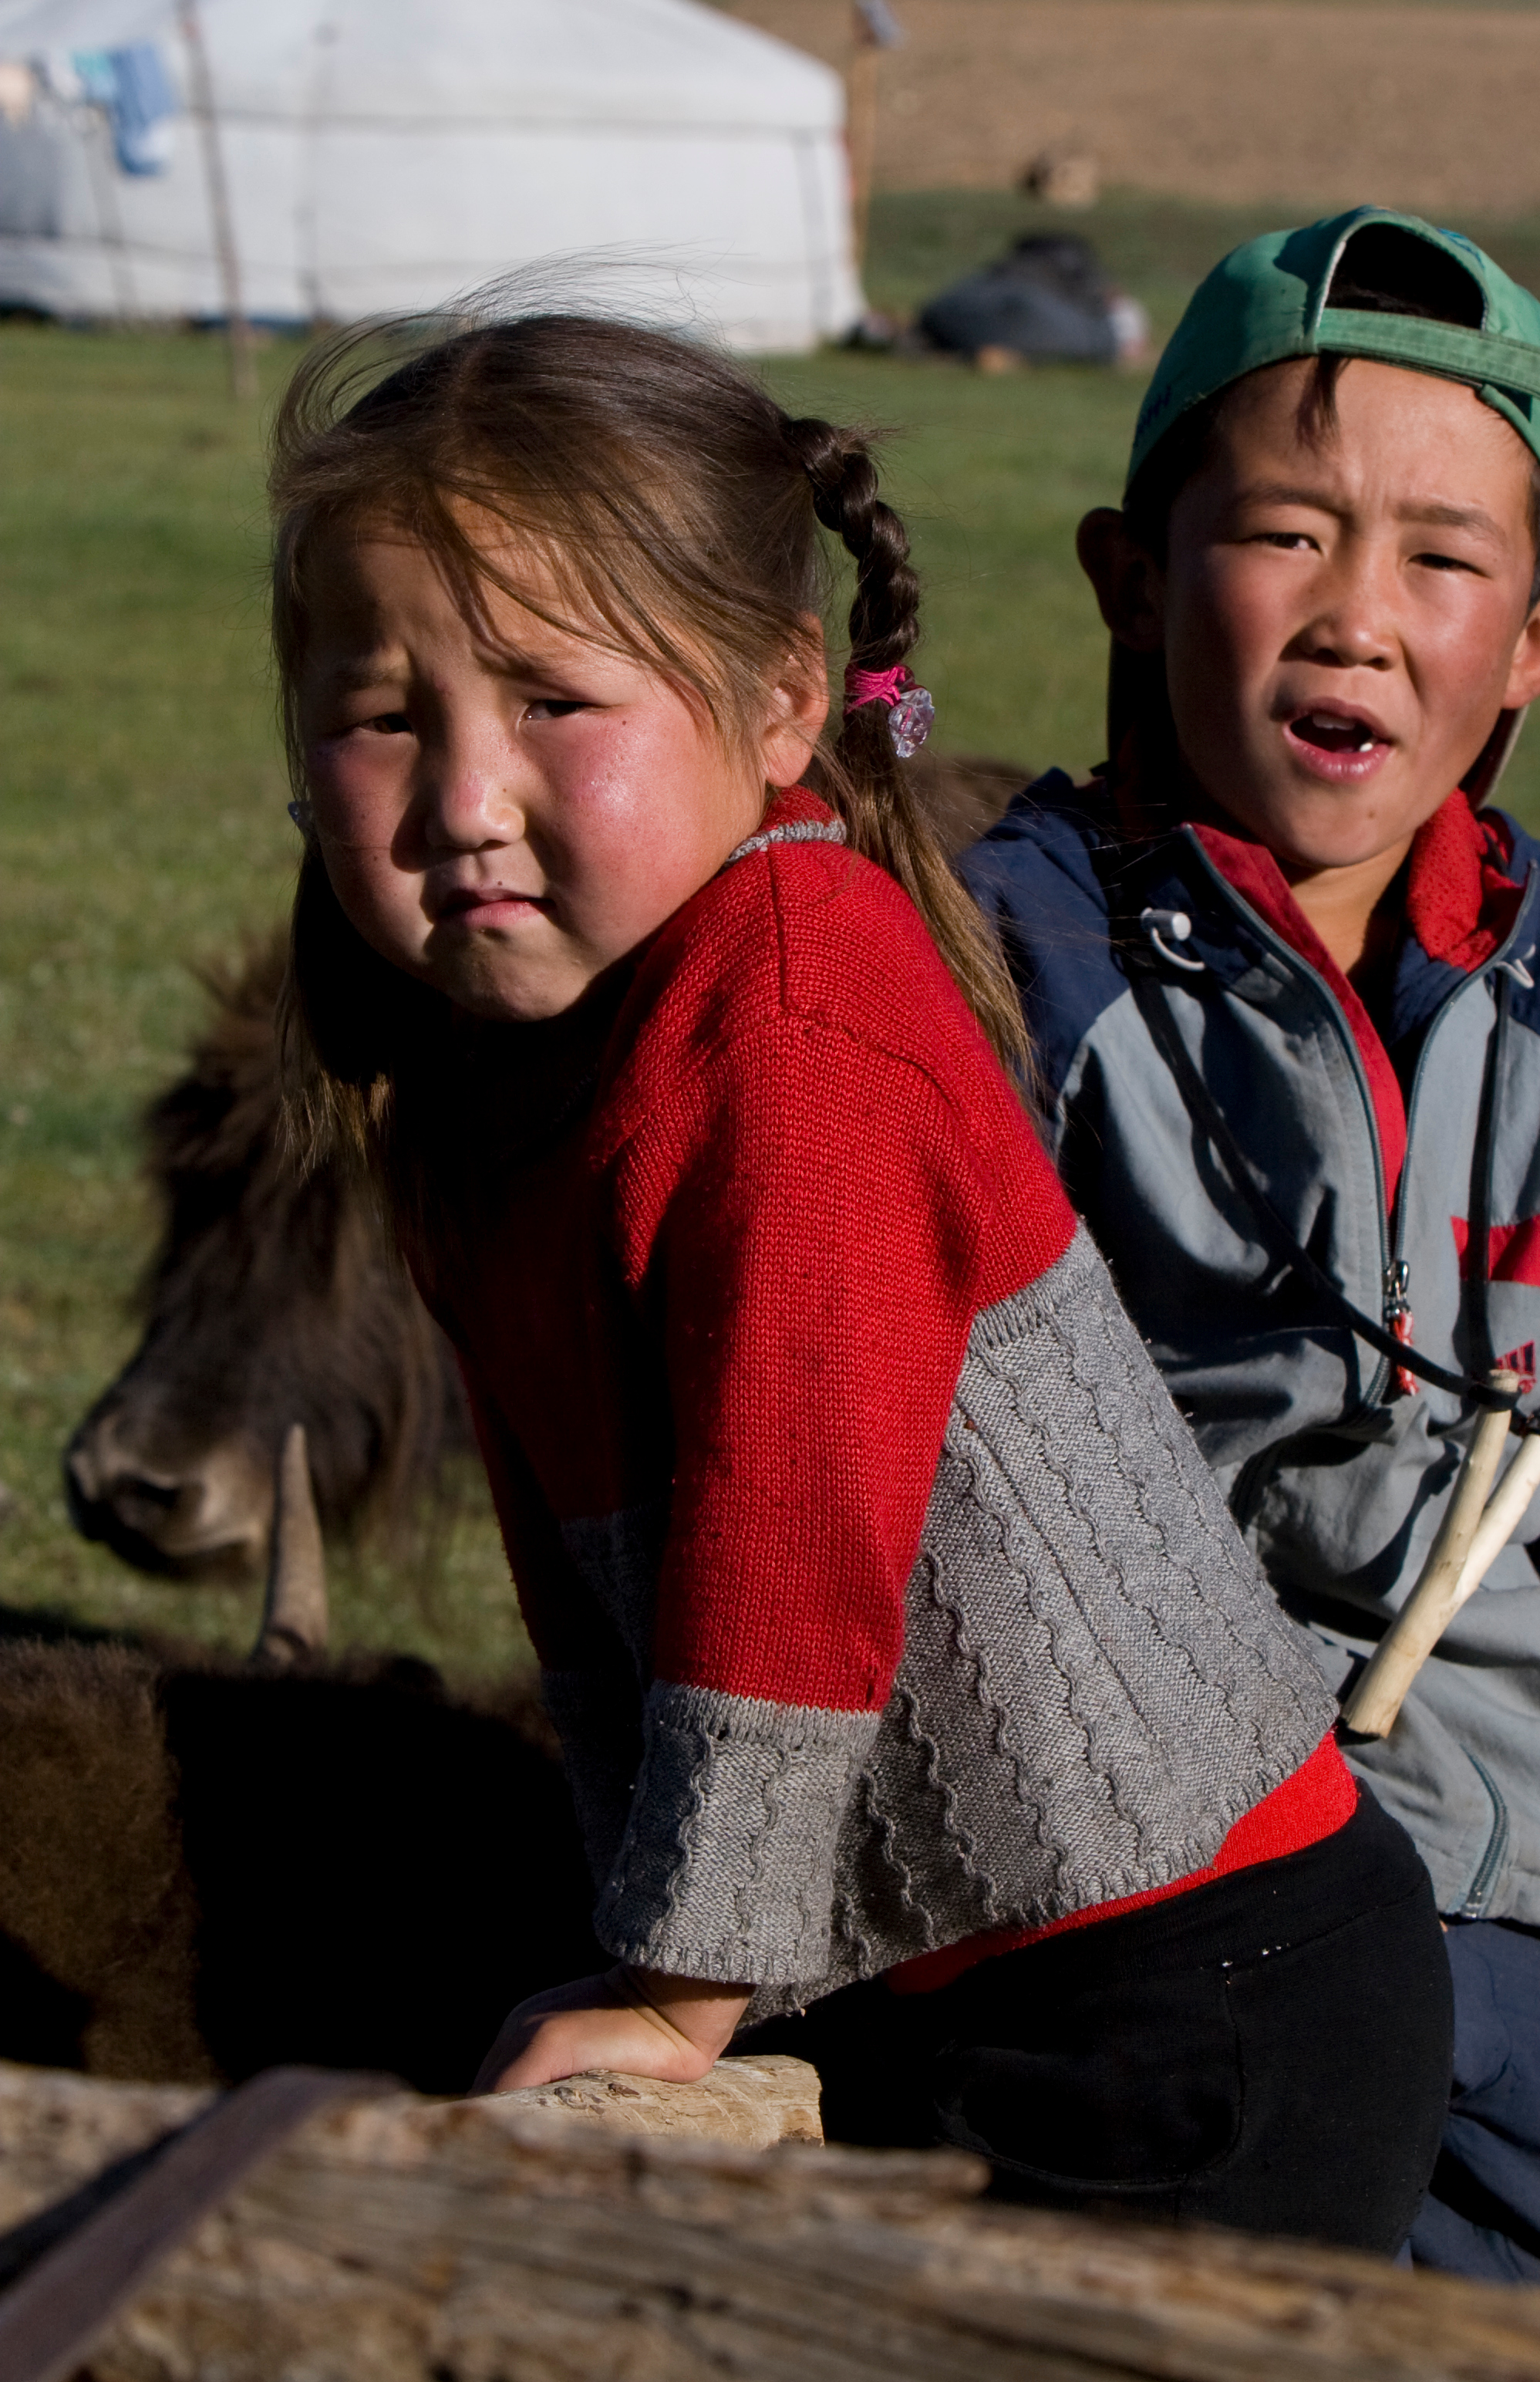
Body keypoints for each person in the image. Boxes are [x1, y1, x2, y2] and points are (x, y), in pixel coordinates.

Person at [267, 308, 1452, 2244]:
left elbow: (786, 1539)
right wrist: (662, 1946)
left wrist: (677, 1978)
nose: (462, 797)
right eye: (383, 715)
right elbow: (600, 1601)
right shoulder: (489, 1092)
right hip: (955, 1981)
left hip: (1196, 1991)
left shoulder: (791, 1004)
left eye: (555, 701)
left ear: (779, 703)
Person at [963, 207, 1540, 2305]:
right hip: (1147, 1867)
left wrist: (1530, 1737)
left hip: (1506, 1864)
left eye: (1441, 558)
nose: (1359, 620)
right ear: (1131, 577)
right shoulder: (1015, 956)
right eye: (1286, 535)